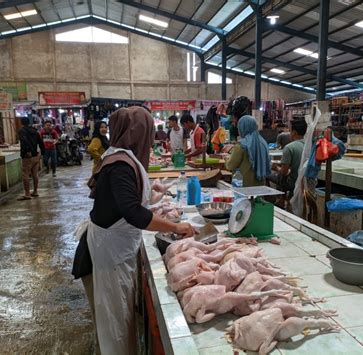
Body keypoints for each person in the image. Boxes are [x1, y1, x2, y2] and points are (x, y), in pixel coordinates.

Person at [72, 106, 196, 355]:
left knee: (121, 313)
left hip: (116, 246)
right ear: (138, 132)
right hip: (110, 252)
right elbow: (133, 212)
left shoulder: (122, 156)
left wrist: (152, 194)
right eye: (149, 131)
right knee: (115, 319)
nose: (151, 138)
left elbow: (123, 201)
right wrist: (175, 226)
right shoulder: (120, 164)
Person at [225, 115, 271, 187]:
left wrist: (226, 159)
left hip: (243, 186)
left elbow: (230, 165)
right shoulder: (263, 143)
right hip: (261, 186)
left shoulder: (241, 146)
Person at [270, 119, 307, 193]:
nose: (289, 133)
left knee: (268, 174)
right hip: (305, 182)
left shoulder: (289, 147)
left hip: (293, 183)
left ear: (294, 132)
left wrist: (276, 167)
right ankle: (282, 199)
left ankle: (276, 198)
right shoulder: (308, 145)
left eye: (290, 131)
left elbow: (284, 172)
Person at [18, 117, 45, 200]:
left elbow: (24, 141)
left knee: (25, 174)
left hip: (27, 156)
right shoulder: (35, 131)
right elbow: (41, 142)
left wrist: (27, 151)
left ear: (21, 122)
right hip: (36, 155)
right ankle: (35, 191)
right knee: (35, 174)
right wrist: (42, 153)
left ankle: (27, 194)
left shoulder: (22, 131)